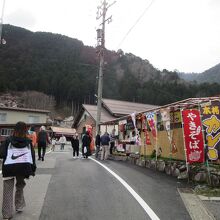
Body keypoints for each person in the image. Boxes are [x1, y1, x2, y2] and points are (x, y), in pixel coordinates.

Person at [0, 121, 36, 220]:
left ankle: (7, 214)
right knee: (20, 186)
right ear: (25, 130)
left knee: (8, 190)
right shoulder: (28, 142)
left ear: (14, 130)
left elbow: (1, 154)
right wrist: (32, 169)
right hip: (23, 168)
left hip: (9, 168)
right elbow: (32, 157)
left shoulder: (8, 140)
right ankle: (19, 206)